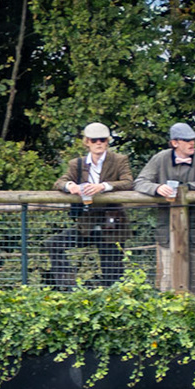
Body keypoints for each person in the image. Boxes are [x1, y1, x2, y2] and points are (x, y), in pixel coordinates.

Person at [134, 123, 195, 294]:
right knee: (168, 281)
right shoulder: (160, 158)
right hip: (168, 229)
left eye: (193, 139)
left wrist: (182, 189)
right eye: (186, 140)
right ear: (174, 143)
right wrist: (157, 189)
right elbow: (140, 182)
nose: (191, 143)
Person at [49, 122, 132, 289]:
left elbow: (128, 182)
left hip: (112, 222)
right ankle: (69, 288)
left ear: (107, 141)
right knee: (54, 243)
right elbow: (60, 182)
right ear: (87, 142)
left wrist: (103, 186)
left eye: (102, 139)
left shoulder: (119, 160)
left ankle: (113, 303)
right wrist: (70, 186)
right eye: (94, 140)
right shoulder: (77, 163)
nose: (98, 143)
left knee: (112, 273)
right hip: (87, 222)